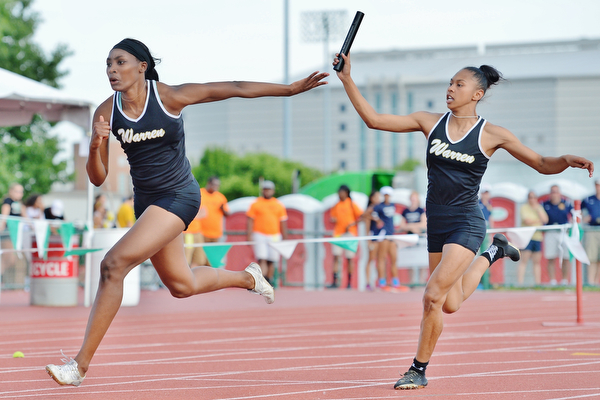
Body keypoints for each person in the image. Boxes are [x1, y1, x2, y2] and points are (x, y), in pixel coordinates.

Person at [45, 38, 327, 387]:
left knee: (113, 265)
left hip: (180, 195)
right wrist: (95, 145)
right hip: (147, 204)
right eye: (108, 64)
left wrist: (288, 90)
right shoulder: (106, 112)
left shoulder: (168, 97)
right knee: (182, 285)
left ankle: (79, 366)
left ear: (141, 67)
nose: (112, 71)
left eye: (120, 63)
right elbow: (98, 177)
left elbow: (232, 88)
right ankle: (249, 278)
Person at [334, 52, 593, 390]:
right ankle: (495, 252)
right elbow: (374, 120)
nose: (450, 88)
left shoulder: (492, 134)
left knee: (431, 297)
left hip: (467, 223)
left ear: (477, 94)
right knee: (450, 303)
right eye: (450, 83)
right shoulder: (429, 122)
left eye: (459, 84)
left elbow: (542, 162)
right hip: (436, 224)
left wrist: (565, 160)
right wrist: (347, 79)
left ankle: (418, 369)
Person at [246, 180, 288, 285]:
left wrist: (285, 236)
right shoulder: (256, 204)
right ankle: (262, 279)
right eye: (265, 189)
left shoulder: (278, 205)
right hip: (260, 234)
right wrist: (249, 234)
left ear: (273, 191)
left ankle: (269, 279)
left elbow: (282, 221)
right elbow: (250, 220)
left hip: (274, 235)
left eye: (269, 189)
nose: (267, 192)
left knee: (272, 259)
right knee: (262, 258)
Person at [328, 184, 363, 289]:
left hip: (350, 233)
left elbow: (361, 216)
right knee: (336, 256)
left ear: (346, 193)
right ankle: (335, 281)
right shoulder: (336, 205)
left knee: (349, 258)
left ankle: (349, 282)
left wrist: (352, 224)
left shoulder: (352, 204)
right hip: (338, 233)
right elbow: (332, 217)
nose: (339, 194)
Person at [371, 186, 404, 290]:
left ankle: (395, 281)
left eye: (388, 195)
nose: (387, 197)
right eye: (385, 195)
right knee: (381, 258)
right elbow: (371, 214)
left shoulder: (393, 205)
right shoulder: (378, 206)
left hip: (391, 234)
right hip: (383, 234)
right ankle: (382, 281)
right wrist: (378, 221)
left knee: (394, 258)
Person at [542, 185, 573, 286]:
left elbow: (574, 215)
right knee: (551, 257)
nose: (554, 194)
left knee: (565, 257)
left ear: (559, 193)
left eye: (556, 192)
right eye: (552, 192)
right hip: (550, 232)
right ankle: (552, 281)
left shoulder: (566, 203)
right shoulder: (545, 204)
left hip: (563, 232)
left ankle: (564, 280)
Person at [517, 191, 548, 285]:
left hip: (537, 237)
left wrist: (537, 210)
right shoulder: (524, 208)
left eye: (534, 197)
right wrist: (538, 220)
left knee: (536, 261)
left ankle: (537, 283)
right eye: (530, 197)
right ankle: (520, 283)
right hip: (527, 237)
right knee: (524, 260)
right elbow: (527, 221)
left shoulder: (539, 207)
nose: (532, 199)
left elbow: (545, 220)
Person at [198, 176, 230, 262]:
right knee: (201, 258)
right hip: (202, 232)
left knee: (212, 259)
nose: (216, 187)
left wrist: (223, 209)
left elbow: (227, 214)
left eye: (217, 185)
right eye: (214, 185)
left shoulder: (220, 197)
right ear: (208, 183)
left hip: (216, 233)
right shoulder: (200, 193)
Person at [399, 191, 427, 284]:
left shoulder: (420, 210)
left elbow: (424, 224)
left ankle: (421, 280)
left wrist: (411, 226)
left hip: (420, 237)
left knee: (421, 259)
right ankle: (412, 281)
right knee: (410, 259)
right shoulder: (405, 211)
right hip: (409, 237)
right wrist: (413, 227)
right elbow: (402, 225)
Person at [361, 190, 382, 290]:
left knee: (380, 259)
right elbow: (366, 224)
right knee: (371, 258)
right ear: (372, 198)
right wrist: (368, 240)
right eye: (376, 197)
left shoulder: (379, 209)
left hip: (380, 237)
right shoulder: (370, 209)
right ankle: (368, 282)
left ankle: (380, 280)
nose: (379, 199)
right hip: (372, 237)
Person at [582, 179, 600, 286]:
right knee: (592, 257)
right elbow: (577, 210)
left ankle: (597, 282)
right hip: (592, 230)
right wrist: (584, 218)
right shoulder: (588, 199)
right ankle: (591, 282)